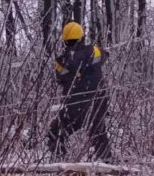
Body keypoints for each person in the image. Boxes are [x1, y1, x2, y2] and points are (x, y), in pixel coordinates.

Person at [46, 21, 112, 162]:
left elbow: (60, 80)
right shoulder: (95, 51)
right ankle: (108, 163)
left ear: (64, 40)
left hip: (76, 105)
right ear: (82, 36)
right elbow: (105, 55)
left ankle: (60, 162)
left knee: (55, 132)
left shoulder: (61, 61)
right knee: (98, 131)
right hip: (99, 101)